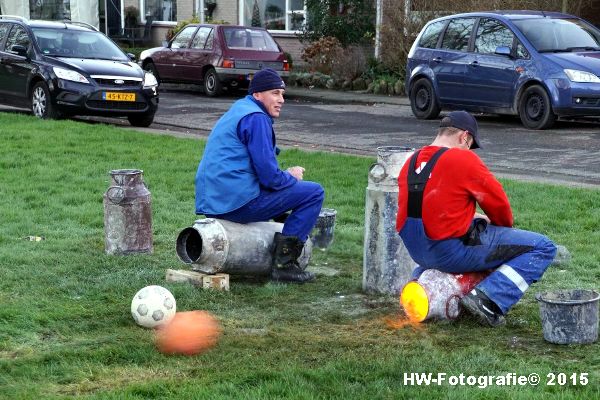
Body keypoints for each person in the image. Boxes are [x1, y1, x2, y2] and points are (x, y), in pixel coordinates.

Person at [396, 111, 556, 327]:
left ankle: (423, 284)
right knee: (543, 247)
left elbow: (425, 207)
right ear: (465, 137)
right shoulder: (462, 158)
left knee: (471, 229)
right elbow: (499, 205)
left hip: (418, 253)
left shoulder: (411, 161)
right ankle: (489, 300)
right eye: (470, 144)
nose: (470, 149)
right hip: (449, 252)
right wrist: (503, 233)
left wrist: (470, 215)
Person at [195, 68, 325, 283]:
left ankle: (282, 241)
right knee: (313, 192)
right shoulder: (256, 118)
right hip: (236, 203)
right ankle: (284, 266)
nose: (281, 99)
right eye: (275, 93)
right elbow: (270, 178)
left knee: (286, 193)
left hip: (215, 202)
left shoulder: (240, 109)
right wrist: (291, 176)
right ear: (257, 94)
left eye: (282, 94)